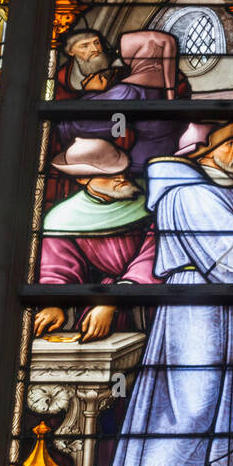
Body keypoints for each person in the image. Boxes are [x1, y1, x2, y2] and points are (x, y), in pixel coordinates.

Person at [97, 121, 233, 466]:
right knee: (189, 409)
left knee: (231, 408)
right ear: (206, 150)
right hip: (196, 305)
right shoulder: (189, 194)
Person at [34, 137, 159, 340]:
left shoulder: (155, 198)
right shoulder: (63, 218)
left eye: (122, 169)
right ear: (83, 179)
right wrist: (55, 304)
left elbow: (154, 256)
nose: (120, 177)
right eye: (108, 174)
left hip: (148, 299)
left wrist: (114, 300)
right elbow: (57, 270)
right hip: (96, 305)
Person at [56, 30, 188, 175]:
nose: (95, 49)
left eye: (97, 43)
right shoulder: (170, 84)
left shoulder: (126, 86)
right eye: (85, 46)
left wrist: (93, 92)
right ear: (70, 52)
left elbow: (87, 125)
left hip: (137, 164)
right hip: (157, 160)